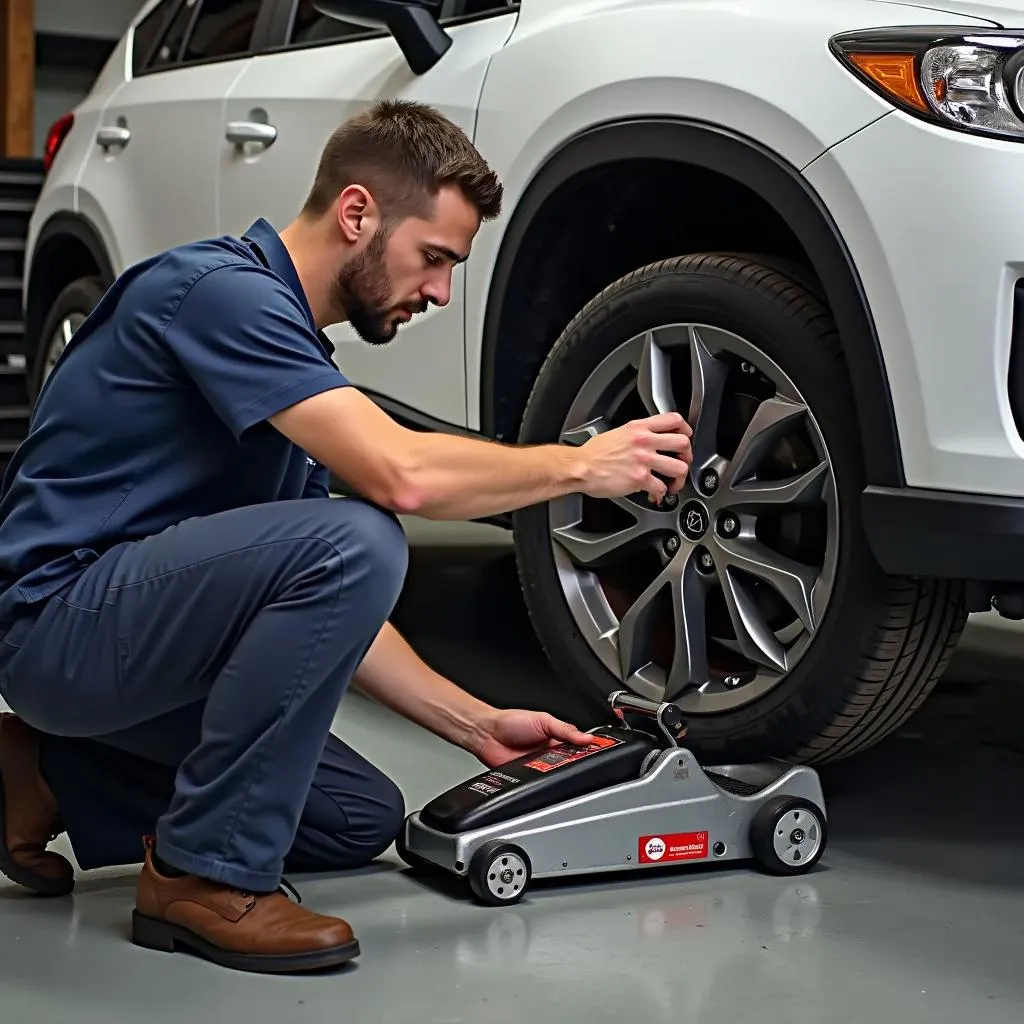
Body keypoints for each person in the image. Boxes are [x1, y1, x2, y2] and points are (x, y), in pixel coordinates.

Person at [0, 100, 693, 974]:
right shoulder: (220, 293)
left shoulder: (296, 360)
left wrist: (475, 724)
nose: (440, 292)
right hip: (60, 628)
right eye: (433, 258)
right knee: (359, 532)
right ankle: (200, 879)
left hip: (141, 648)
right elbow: (397, 481)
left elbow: (325, 604)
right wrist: (577, 464)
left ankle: (44, 772)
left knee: (354, 817)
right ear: (358, 214)